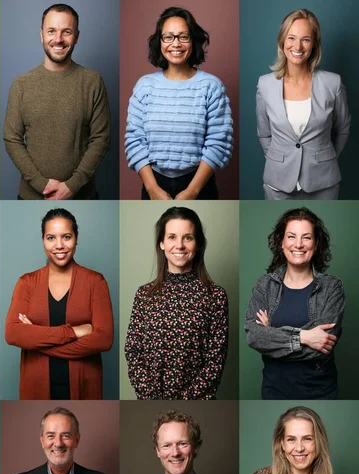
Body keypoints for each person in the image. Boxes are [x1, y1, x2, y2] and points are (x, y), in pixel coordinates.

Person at [125, 6, 233, 200]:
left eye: (183, 36)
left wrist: (192, 191)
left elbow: (219, 142)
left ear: (193, 41)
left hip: (199, 184)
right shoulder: (144, 86)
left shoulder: (211, 86)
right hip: (153, 183)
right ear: (159, 42)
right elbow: (135, 140)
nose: (176, 43)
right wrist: (152, 189)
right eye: (168, 37)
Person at [5, 207, 114, 400]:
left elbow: (104, 339)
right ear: (43, 240)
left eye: (66, 237)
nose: (59, 245)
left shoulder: (95, 281)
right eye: (51, 238)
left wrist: (37, 341)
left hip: (84, 386)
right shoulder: (27, 283)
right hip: (35, 387)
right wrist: (73, 332)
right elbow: (13, 333)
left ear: (76, 238)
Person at [4, 3, 110, 200]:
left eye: (66, 32)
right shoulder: (21, 84)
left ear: (76, 36)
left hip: (83, 197)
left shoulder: (92, 81)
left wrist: (72, 185)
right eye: (51, 31)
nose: (58, 39)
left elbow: (101, 139)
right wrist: (41, 184)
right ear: (41, 34)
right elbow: (12, 139)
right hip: (31, 197)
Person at [125, 206, 228, 400]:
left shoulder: (215, 296)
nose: (179, 245)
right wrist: (152, 398)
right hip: (150, 402)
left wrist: (187, 400)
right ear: (162, 243)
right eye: (172, 237)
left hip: (199, 402)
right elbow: (133, 351)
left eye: (187, 237)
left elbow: (215, 361)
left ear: (197, 244)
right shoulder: (144, 295)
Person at [245, 207, 345, 400]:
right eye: (291, 236)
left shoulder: (332, 287)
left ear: (316, 244)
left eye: (306, 237)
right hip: (274, 391)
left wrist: (272, 335)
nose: (298, 244)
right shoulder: (265, 285)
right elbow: (254, 336)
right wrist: (305, 337)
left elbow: (323, 345)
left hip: (320, 392)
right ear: (281, 242)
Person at [256, 9, 350, 200]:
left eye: (306, 39)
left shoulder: (333, 83)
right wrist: (282, 161)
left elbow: (343, 129)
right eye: (291, 37)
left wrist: (324, 159)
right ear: (282, 41)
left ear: (314, 44)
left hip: (324, 183)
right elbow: (264, 133)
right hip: (277, 184)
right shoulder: (265, 84)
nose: (297, 46)